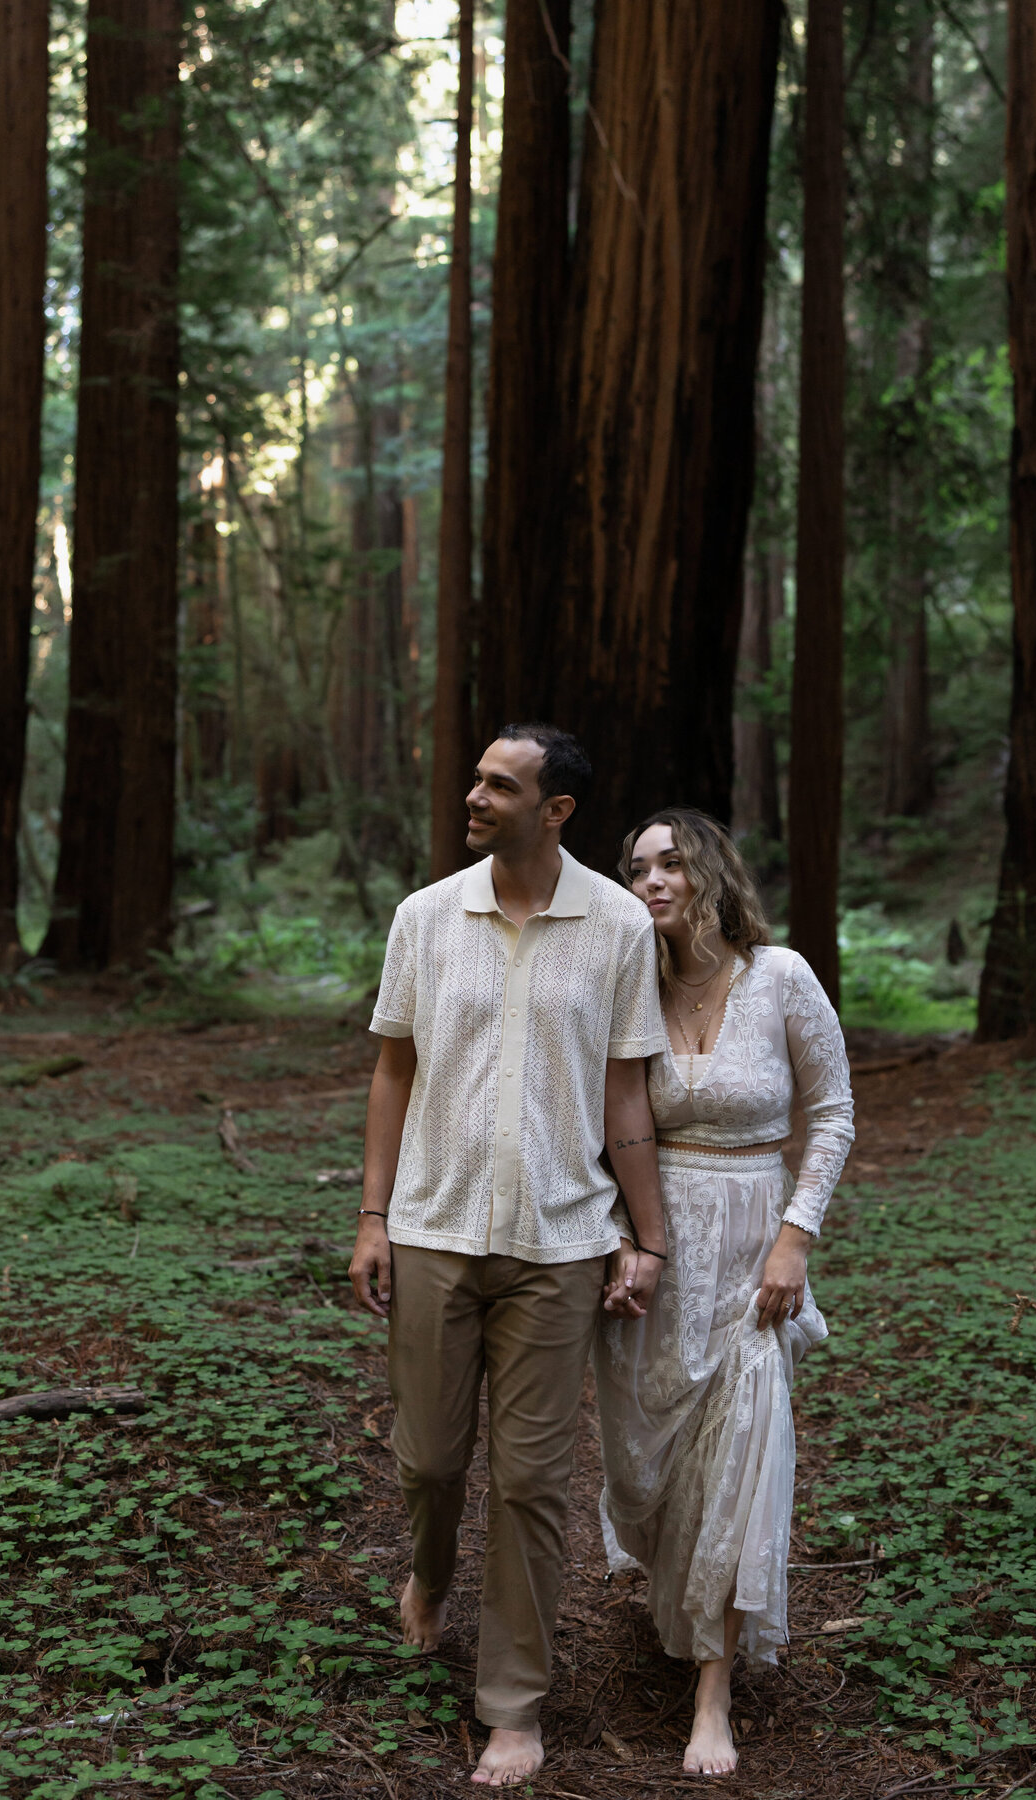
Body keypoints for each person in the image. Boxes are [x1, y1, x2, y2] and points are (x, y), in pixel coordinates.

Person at [348, 724, 670, 1788]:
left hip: (561, 1244)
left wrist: (647, 1233)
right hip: (435, 1230)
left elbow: (627, 1093)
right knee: (433, 1459)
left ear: (558, 809)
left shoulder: (619, 926)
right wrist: (372, 1214)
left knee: (531, 1481)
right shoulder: (426, 918)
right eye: (478, 778)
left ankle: (514, 1704)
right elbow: (393, 1071)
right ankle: (430, 1573)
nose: (474, 795)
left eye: (500, 783)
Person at [593, 807, 854, 1777]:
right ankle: (680, 1602)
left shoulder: (780, 977)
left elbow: (832, 1115)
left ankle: (714, 1692)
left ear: (710, 874)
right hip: (656, 1249)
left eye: (671, 863)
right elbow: (606, 1132)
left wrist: (795, 1238)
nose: (652, 880)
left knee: (743, 1456)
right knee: (653, 1476)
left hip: (754, 1250)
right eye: (636, 868)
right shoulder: (629, 992)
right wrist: (622, 1239)